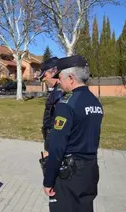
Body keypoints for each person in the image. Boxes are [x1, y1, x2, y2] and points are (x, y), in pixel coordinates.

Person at [43, 55, 104, 212]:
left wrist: (48, 180)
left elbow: (57, 147)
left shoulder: (66, 104)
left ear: (70, 78)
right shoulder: (94, 101)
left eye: (61, 78)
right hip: (90, 171)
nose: (59, 83)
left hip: (70, 174)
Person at [39, 57, 63, 156]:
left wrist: (48, 147)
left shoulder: (60, 92)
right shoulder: (56, 91)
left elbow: (57, 120)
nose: (44, 79)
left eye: (45, 75)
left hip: (54, 138)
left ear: (54, 73)